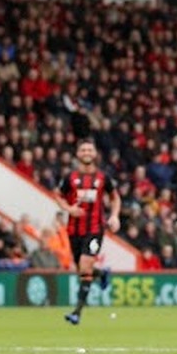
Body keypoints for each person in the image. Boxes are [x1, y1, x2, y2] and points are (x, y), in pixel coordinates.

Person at [54, 138, 120, 325]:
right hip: (74, 229)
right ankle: (101, 273)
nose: (86, 153)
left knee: (84, 265)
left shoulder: (103, 178)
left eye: (89, 150)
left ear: (95, 153)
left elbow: (115, 198)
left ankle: (77, 312)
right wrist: (69, 209)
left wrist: (114, 216)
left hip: (95, 229)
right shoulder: (70, 178)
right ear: (78, 154)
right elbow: (57, 195)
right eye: (83, 150)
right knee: (81, 269)